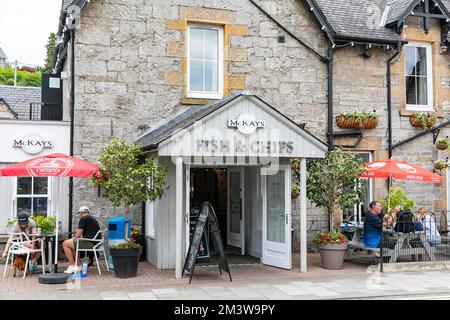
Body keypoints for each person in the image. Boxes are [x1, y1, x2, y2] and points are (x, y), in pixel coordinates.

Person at [62, 206, 100, 274]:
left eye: (79, 213)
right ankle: (79, 265)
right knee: (72, 244)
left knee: (65, 243)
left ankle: (72, 266)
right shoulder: (91, 218)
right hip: (95, 243)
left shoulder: (84, 218)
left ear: (82, 212)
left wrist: (74, 237)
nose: (79, 215)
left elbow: (78, 234)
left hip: (90, 243)